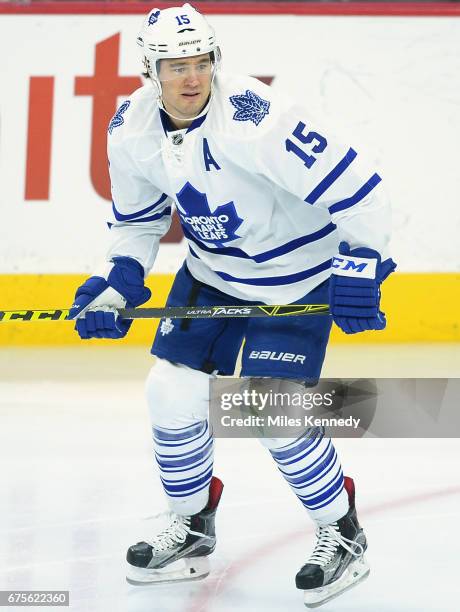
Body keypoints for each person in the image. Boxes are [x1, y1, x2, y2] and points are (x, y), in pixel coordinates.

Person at [68, 4, 396, 607]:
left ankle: (343, 533)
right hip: (213, 274)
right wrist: (116, 281)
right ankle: (192, 526)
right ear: (150, 69)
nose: (191, 77)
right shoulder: (130, 126)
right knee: (167, 391)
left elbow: (363, 192)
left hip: (297, 283)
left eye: (200, 62)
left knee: (271, 410)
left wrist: (361, 265)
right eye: (175, 66)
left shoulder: (257, 118)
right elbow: (137, 223)